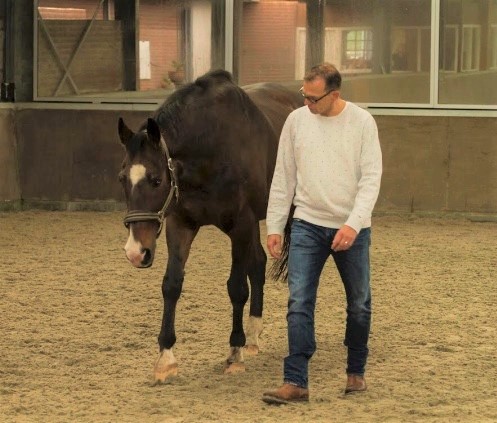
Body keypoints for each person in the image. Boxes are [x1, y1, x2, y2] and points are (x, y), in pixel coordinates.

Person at [262, 63, 382, 405]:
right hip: (306, 225)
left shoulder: (362, 123)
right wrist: (275, 225)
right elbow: (283, 177)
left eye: (314, 98)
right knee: (299, 302)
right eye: (305, 96)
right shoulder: (296, 122)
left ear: (335, 94)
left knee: (359, 304)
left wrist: (353, 224)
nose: (308, 104)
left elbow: (371, 180)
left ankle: (355, 372)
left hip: (351, 228)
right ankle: (295, 381)